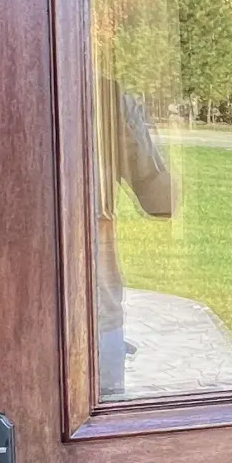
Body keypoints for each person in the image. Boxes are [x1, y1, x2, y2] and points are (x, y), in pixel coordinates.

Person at [93, 75, 174, 395]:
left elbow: (161, 204)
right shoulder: (107, 98)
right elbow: (163, 203)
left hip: (95, 318)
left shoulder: (109, 100)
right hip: (94, 318)